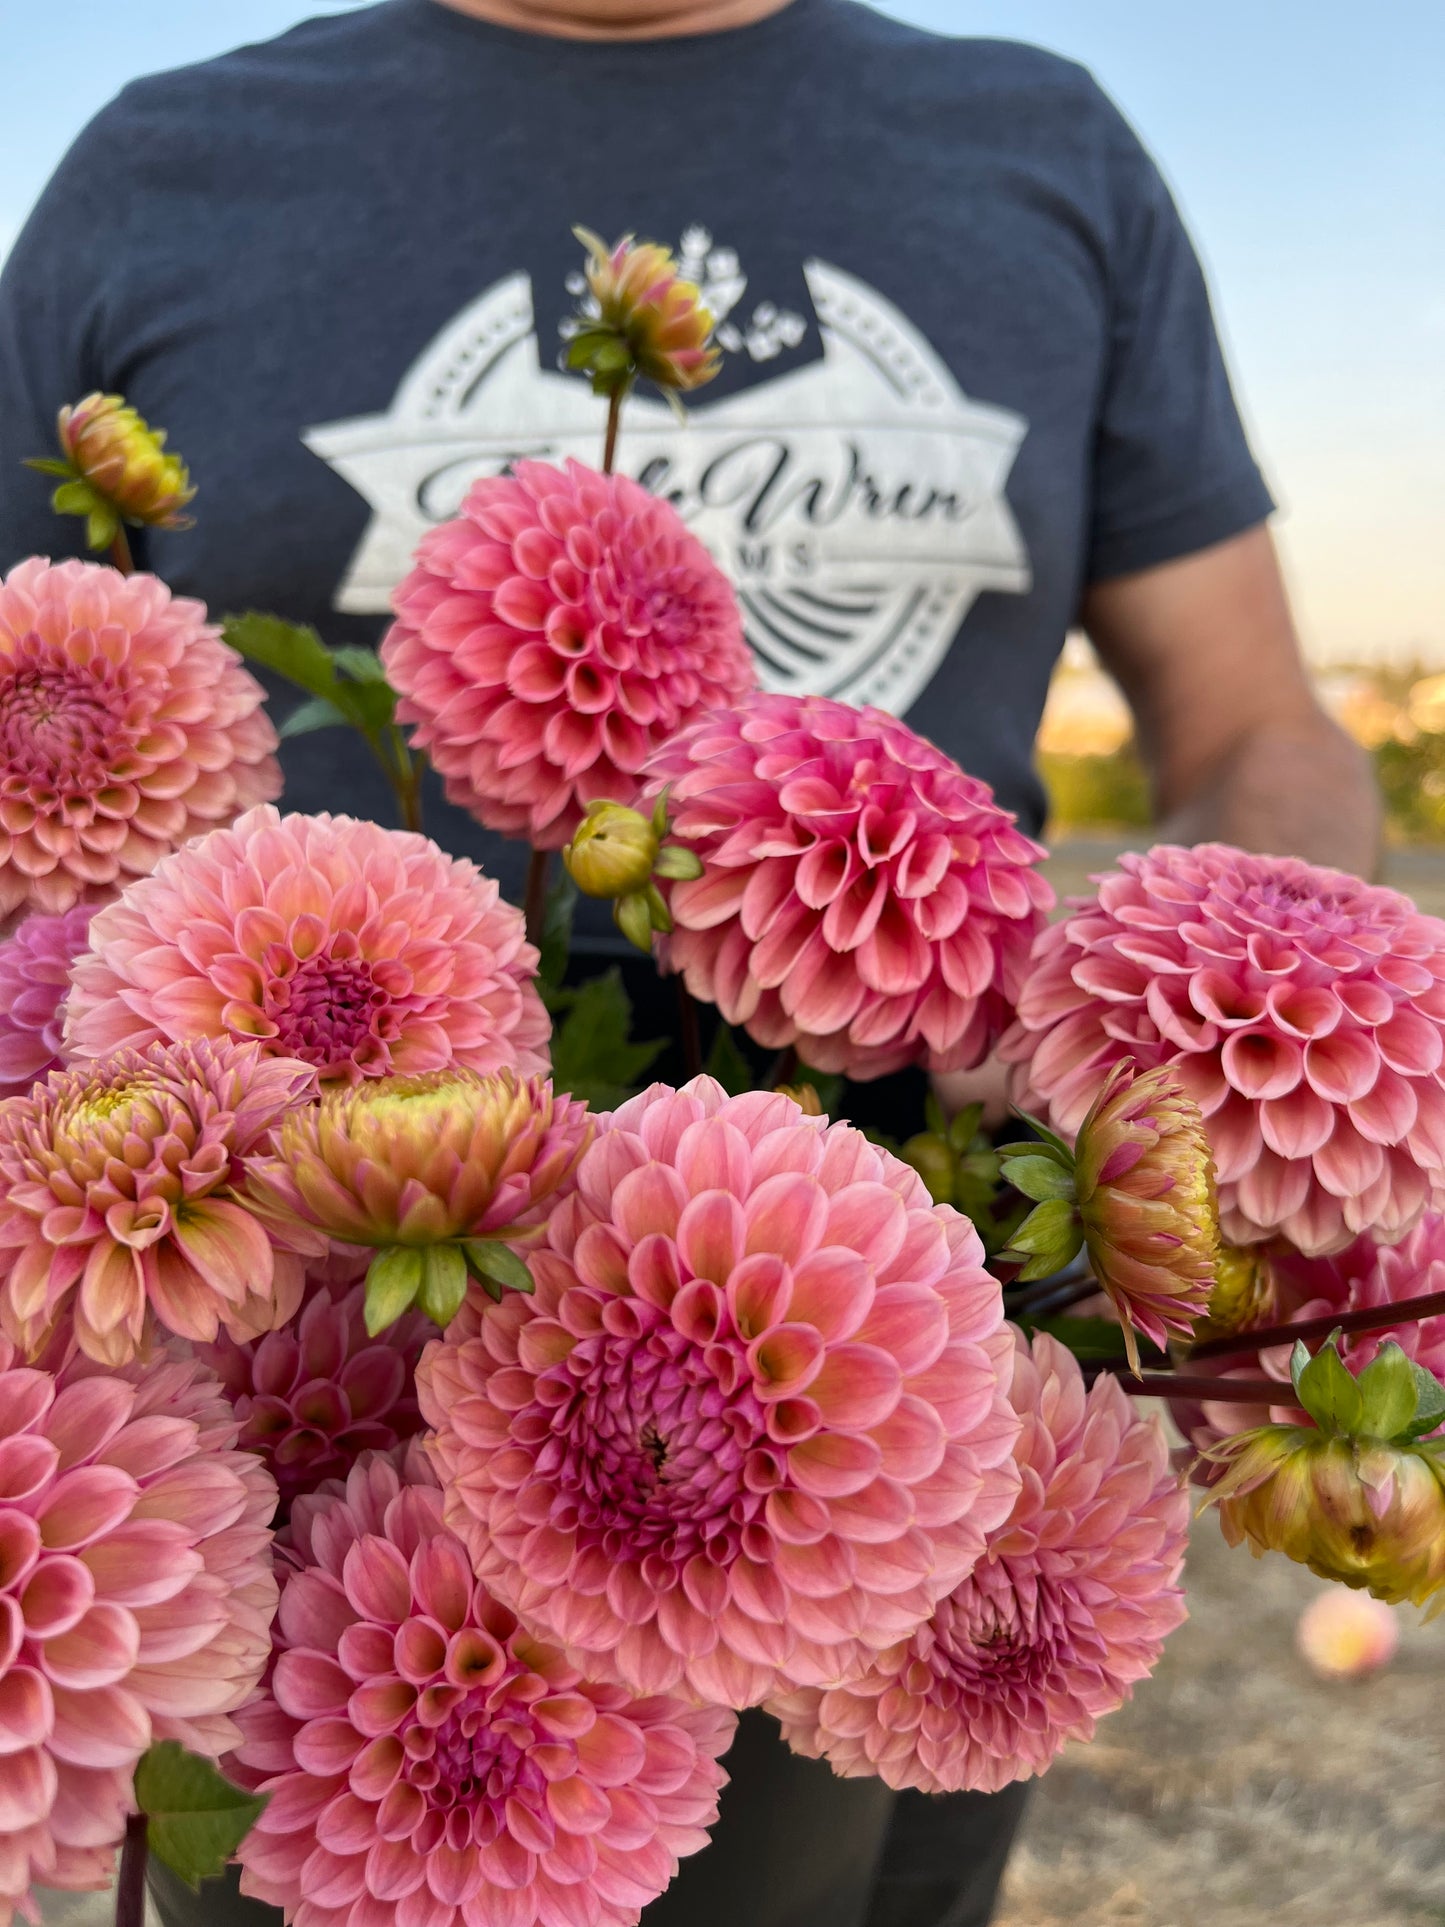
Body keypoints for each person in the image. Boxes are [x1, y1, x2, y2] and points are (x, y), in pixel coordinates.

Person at [0, 2, 1380, 1924]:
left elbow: (1253, 724)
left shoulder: (1041, 147)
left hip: (929, 1328)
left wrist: (1262, 990)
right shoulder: (163, 160)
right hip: (280, 1321)